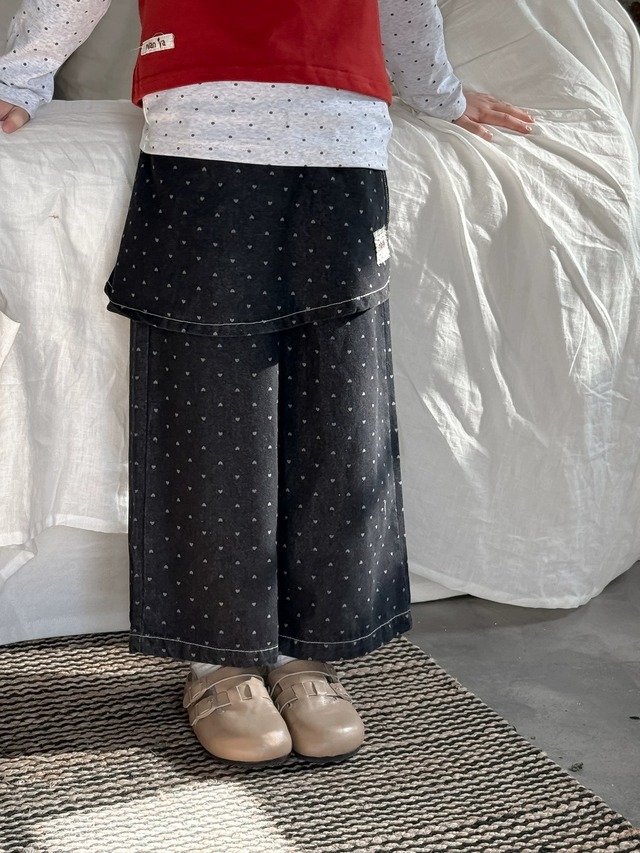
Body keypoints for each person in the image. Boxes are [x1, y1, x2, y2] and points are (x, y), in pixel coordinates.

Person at [0, 0, 533, 768]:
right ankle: (218, 658)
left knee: (338, 417)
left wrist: (440, 95)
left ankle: (306, 648)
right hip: (203, 135)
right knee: (211, 410)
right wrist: (21, 75)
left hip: (344, 141)